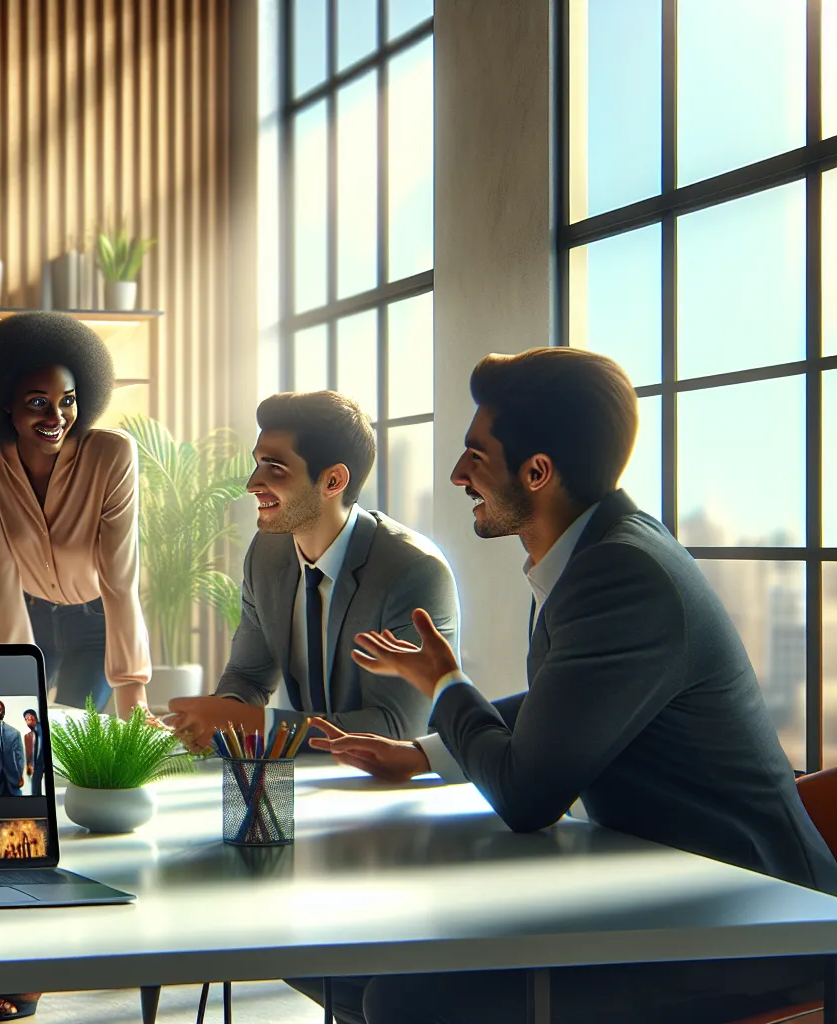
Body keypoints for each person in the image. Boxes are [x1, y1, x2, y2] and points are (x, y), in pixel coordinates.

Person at [306, 348, 837, 1024]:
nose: (457, 475)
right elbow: (577, 699)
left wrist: (446, 681)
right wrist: (427, 751)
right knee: (356, 967)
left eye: (476, 456)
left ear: (538, 472)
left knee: (404, 994)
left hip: (749, 926)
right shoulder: (592, 552)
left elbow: (529, 797)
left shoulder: (619, 575)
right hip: (674, 893)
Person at [164, 392, 459, 752]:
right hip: (305, 780)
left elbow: (396, 727)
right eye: (257, 463)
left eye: (275, 468)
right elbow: (248, 676)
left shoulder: (414, 571)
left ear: (333, 481)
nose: (252, 484)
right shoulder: (267, 553)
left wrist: (256, 724)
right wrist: (217, 722)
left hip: (397, 790)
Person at [0, 312, 151, 719]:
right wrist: (8, 680)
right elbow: (0, 572)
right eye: (38, 402)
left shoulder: (111, 455)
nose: (56, 417)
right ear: (5, 402)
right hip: (29, 615)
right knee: (25, 735)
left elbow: (119, 579)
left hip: (94, 624)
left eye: (67, 400)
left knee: (73, 735)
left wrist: (133, 693)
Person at [23, 708, 47, 796]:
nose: (28, 718)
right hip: (36, 766)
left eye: (30, 716)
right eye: (26, 718)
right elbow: (28, 754)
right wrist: (29, 769)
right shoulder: (28, 736)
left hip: (45, 762)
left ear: (36, 717)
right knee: (35, 789)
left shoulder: (42, 727)